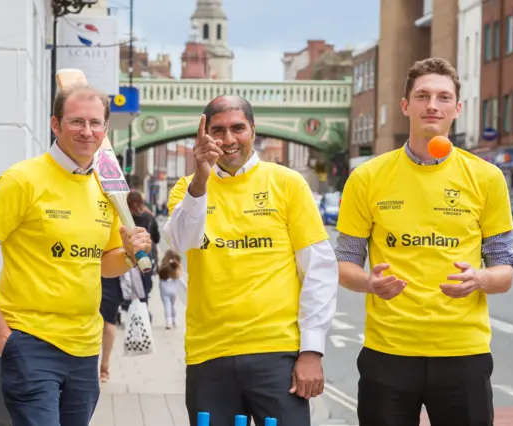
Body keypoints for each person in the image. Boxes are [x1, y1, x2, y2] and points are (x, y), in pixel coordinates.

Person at [0, 84, 153, 426]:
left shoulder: (106, 188)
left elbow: (104, 263)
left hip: (86, 347)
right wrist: (1, 335)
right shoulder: (22, 180)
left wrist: (132, 254)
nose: (86, 131)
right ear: (55, 125)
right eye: (76, 122)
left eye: (94, 123)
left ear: (105, 129)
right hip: (32, 343)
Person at [336, 57, 513, 426]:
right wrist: (370, 283)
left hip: (463, 353)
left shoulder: (486, 177)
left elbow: (504, 270)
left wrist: (480, 279)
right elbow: (345, 265)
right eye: (422, 96)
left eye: (443, 97)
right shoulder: (367, 177)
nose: (432, 105)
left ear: (457, 108)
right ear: (406, 106)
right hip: (387, 353)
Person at [163, 95, 339, 426]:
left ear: (254, 131)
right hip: (209, 354)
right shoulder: (188, 188)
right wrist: (200, 180)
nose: (228, 140)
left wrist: (312, 351)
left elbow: (319, 269)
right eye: (217, 130)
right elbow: (182, 241)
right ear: (204, 137)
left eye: (238, 128)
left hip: (276, 354)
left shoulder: (287, 183)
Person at [99, 275, 123, 382]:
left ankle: (104, 365)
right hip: (111, 278)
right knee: (109, 322)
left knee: (108, 323)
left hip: (107, 278)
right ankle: (104, 367)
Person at [157, 249, 186, 329]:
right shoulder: (175, 267)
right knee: (173, 305)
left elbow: (160, 279)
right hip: (174, 290)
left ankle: (168, 321)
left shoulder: (163, 267)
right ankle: (175, 320)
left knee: (167, 305)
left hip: (164, 291)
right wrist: (185, 287)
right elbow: (180, 278)